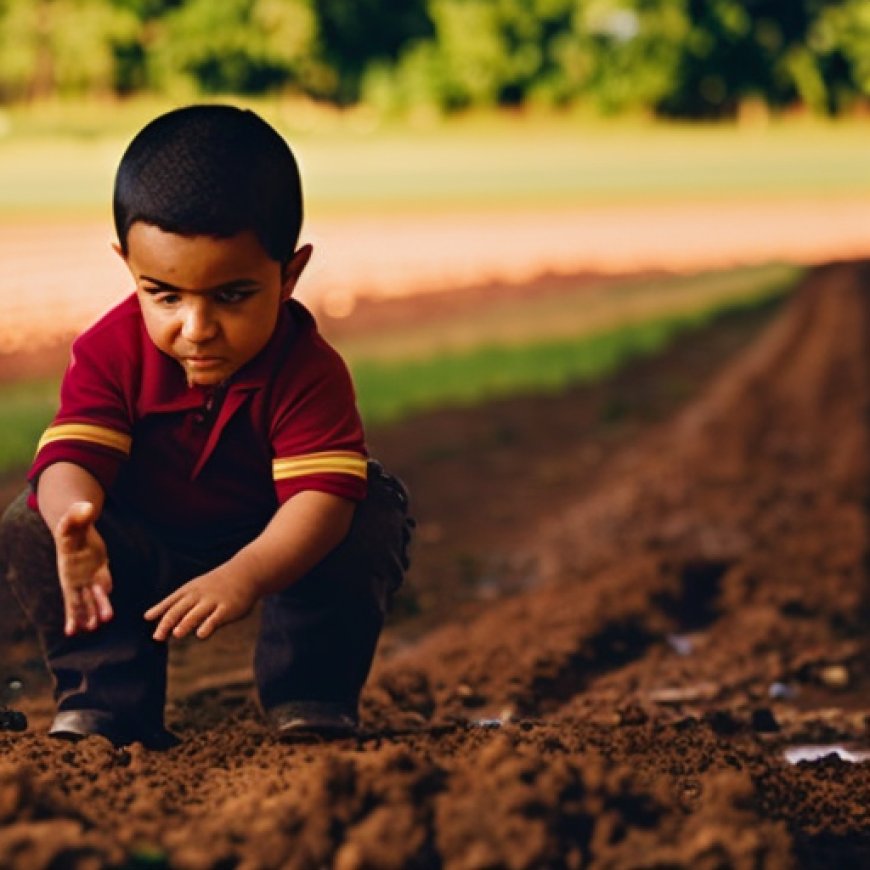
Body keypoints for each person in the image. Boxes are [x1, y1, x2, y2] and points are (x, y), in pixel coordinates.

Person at [0, 104, 413, 749]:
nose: (195, 328)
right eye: (163, 294)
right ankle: (106, 703)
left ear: (290, 275)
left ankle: (310, 694)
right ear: (128, 266)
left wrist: (247, 573)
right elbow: (72, 456)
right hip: (142, 536)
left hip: (271, 535)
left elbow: (320, 502)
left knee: (367, 506)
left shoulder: (307, 368)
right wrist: (72, 523)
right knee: (30, 520)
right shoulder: (111, 350)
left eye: (231, 295)